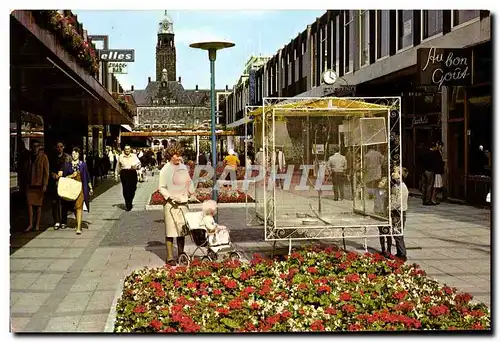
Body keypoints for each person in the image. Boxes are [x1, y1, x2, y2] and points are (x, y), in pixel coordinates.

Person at [158, 143, 195, 266]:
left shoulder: (183, 167)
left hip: (183, 203)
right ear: (170, 156)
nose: (179, 158)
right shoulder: (165, 170)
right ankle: (169, 257)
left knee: (182, 231)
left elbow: (188, 181)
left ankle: (181, 253)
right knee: (170, 231)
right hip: (171, 205)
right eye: (176, 155)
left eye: (180, 155)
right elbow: (161, 187)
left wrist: (191, 192)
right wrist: (169, 197)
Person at [61, 147, 93, 235]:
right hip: (71, 189)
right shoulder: (67, 165)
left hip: (81, 188)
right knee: (74, 207)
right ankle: (77, 222)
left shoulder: (83, 164)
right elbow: (64, 177)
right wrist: (71, 175)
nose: (74, 155)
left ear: (79, 154)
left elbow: (87, 176)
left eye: (76, 153)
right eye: (73, 153)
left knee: (79, 207)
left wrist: (90, 187)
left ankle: (79, 227)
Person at [24, 141, 50, 232]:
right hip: (30, 184)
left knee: (38, 205)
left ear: (40, 147)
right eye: (33, 146)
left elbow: (46, 172)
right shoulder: (30, 156)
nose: (35, 148)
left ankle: (37, 224)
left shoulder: (43, 157)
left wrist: (45, 184)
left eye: (37, 146)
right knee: (29, 204)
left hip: (39, 184)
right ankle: (30, 224)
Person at [49, 141, 71, 230]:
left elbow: (71, 169)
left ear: (63, 147)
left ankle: (64, 221)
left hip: (64, 182)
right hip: (55, 182)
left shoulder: (67, 158)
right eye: (58, 147)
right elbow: (49, 168)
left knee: (64, 202)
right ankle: (57, 221)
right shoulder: (53, 157)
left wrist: (64, 174)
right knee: (55, 202)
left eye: (61, 147)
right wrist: (53, 174)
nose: (59, 148)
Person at [390, 166, 409, 262]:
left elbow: (398, 202)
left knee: (398, 233)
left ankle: (402, 254)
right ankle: (399, 252)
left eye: (396, 172)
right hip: (395, 212)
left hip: (399, 212)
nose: (393, 173)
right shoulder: (395, 185)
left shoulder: (402, 187)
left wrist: (390, 207)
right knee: (395, 232)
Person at [115, 145, 141, 211]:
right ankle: (128, 204)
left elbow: (139, 164)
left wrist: (137, 167)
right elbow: (117, 166)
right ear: (124, 150)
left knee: (133, 188)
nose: (127, 150)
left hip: (132, 172)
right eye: (126, 149)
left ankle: (130, 201)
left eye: (128, 149)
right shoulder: (120, 157)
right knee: (126, 188)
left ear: (130, 149)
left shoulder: (134, 156)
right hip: (124, 173)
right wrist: (116, 175)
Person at [374, 177, 390, 256]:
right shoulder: (376, 191)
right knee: (381, 232)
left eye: (383, 182)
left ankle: (389, 250)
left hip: (385, 214)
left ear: (386, 185)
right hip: (378, 213)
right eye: (380, 181)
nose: (380, 183)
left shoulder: (387, 193)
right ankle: (383, 249)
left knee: (387, 232)